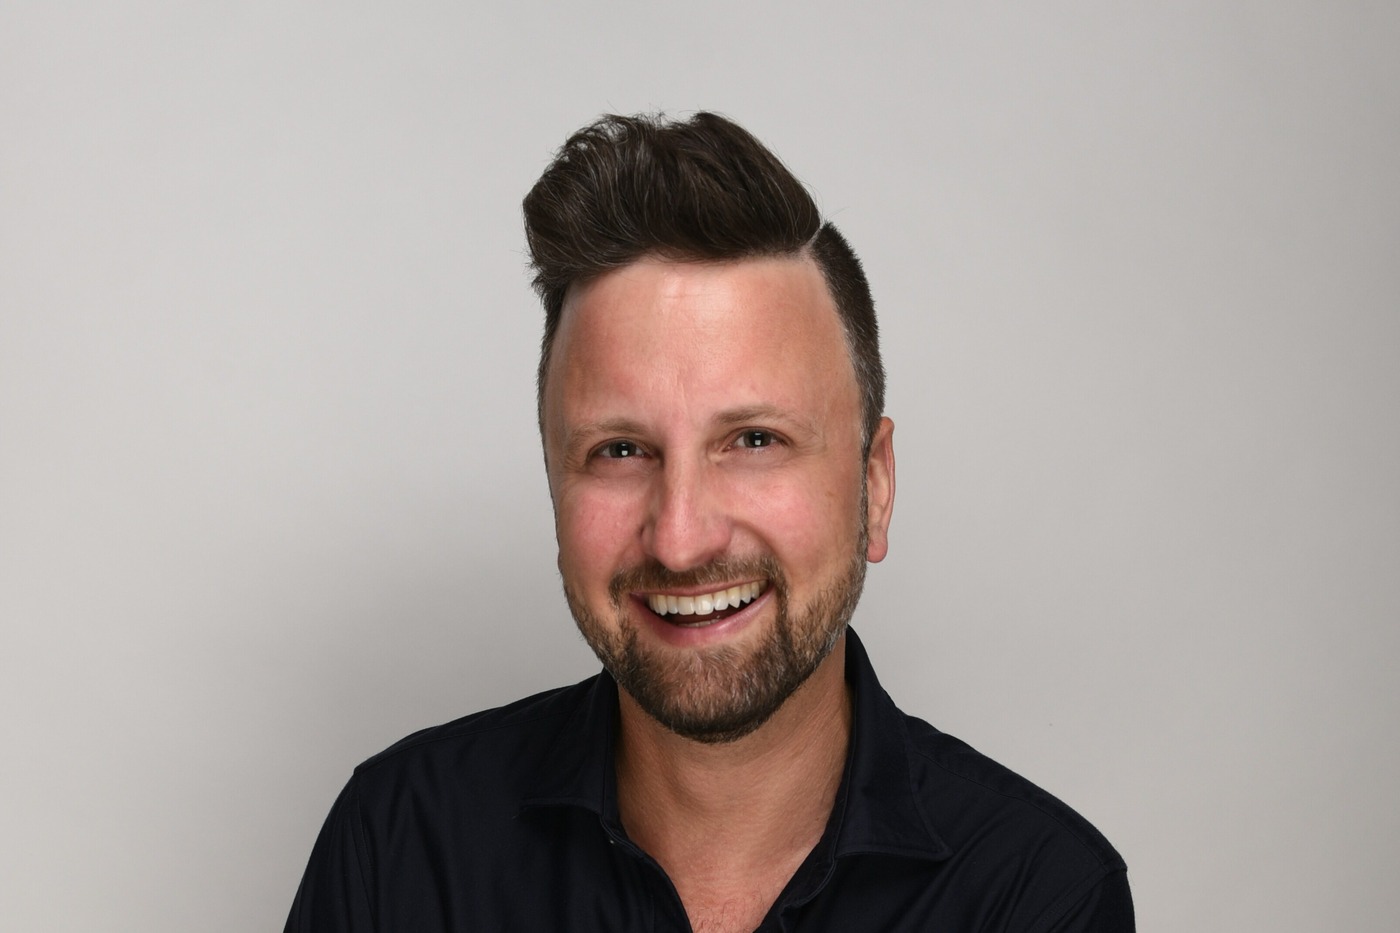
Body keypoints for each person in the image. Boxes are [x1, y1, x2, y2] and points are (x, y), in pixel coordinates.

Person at [285, 111, 1135, 932]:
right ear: (553, 484)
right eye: (620, 450)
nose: (681, 537)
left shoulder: (1036, 896)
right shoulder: (397, 848)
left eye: (755, 440)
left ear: (874, 486)